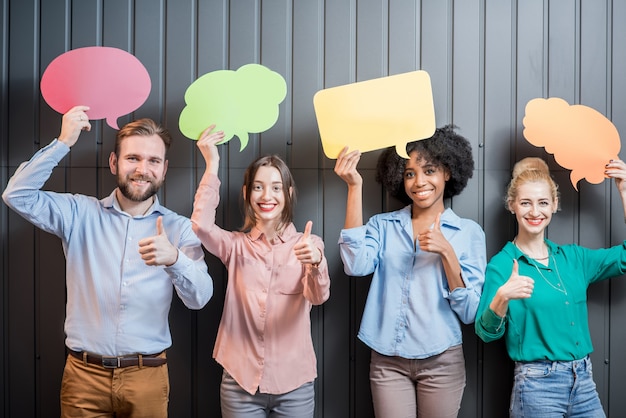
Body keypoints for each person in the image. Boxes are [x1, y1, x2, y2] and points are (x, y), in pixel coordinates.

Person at [2, 106, 214, 418]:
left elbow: (200, 298)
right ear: (114, 162)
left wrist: (175, 259)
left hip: (148, 377)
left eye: (153, 161)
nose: (143, 169)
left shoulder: (179, 229)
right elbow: (16, 195)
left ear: (164, 169)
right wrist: (63, 142)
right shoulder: (79, 213)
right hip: (83, 377)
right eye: (133, 158)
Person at [334, 125, 486, 418]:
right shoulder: (382, 225)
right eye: (409, 173)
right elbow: (355, 266)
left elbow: (471, 312)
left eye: (429, 170)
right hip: (387, 361)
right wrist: (354, 186)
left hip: (442, 360)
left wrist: (447, 253)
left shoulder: (468, 233)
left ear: (448, 172)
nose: (419, 182)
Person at [191, 125, 331, 418]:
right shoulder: (235, 246)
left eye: (276, 187)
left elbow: (318, 298)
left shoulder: (308, 244)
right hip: (239, 383)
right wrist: (212, 163)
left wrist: (315, 262)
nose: (267, 195)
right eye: (258, 186)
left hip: (295, 385)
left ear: (288, 193)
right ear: (247, 193)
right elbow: (201, 226)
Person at [475, 157, 626, 417]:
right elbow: (485, 332)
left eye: (543, 202)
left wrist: (624, 190)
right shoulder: (502, 265)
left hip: (584, 382)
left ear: (554, 205)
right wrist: (501, 298)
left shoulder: (573, 259)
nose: (535, 212)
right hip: (536, 387)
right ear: (512, 205)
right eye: (525, 203)